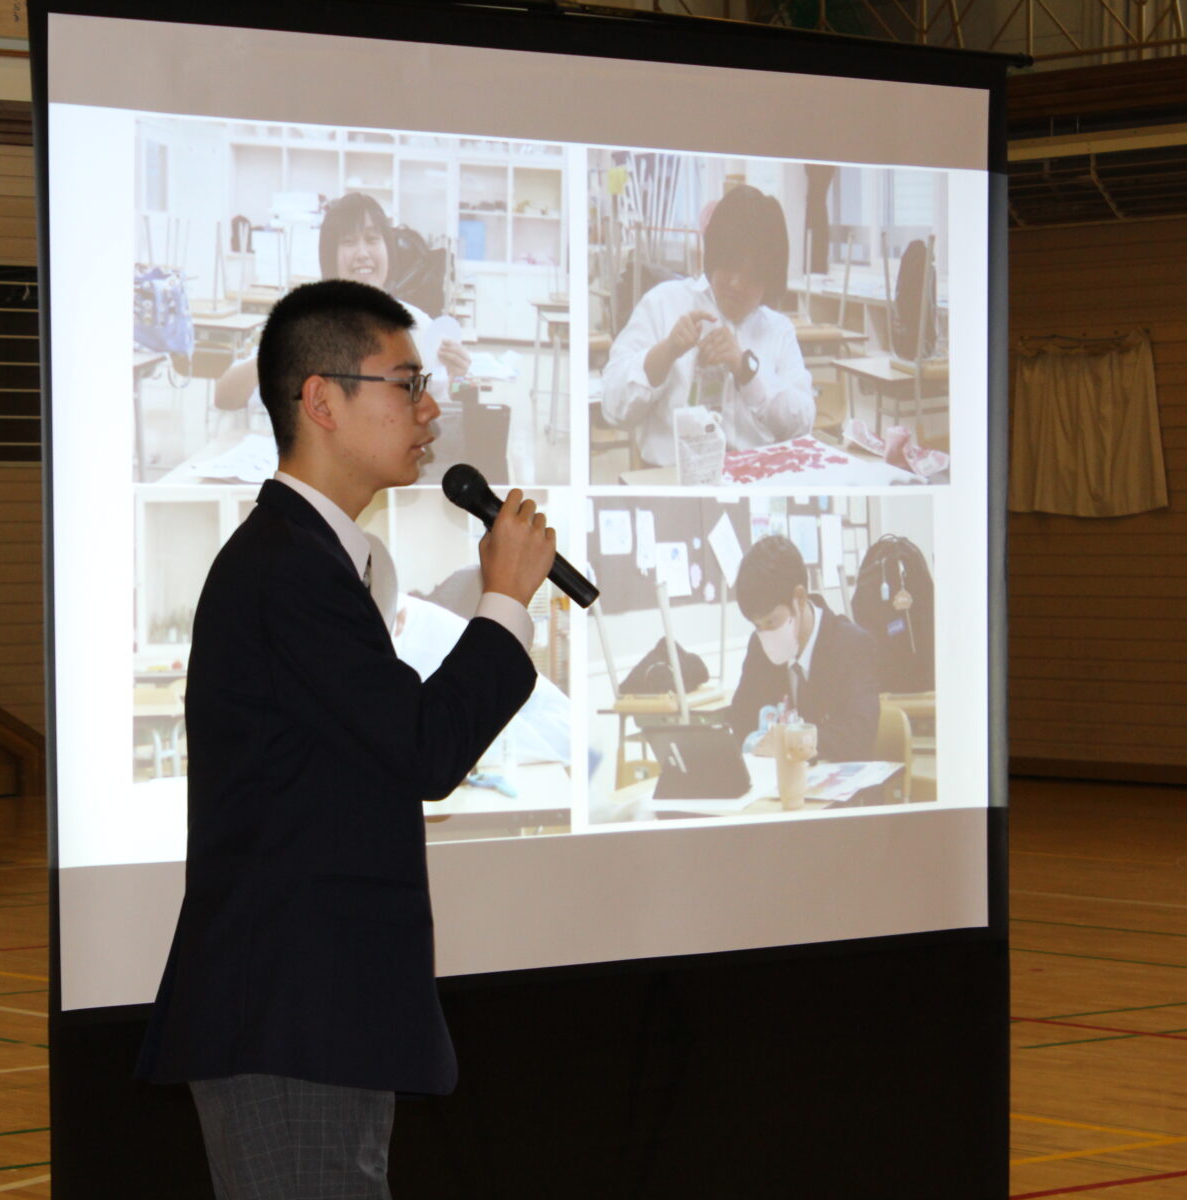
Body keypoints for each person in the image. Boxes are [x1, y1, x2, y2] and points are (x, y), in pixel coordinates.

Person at [138, 279, 556, 1199]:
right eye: (406, 383)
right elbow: (424, 749)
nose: (431, 407)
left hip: (321, 1015)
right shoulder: (285, 570)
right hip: (290, 1021)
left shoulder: (313, 560)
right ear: (320, 400)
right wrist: (505, 602)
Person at [600, 185, 814, 467]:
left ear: (770, 279)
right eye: (729, 267)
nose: (736, 284)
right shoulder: (664, 303)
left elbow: (802, 423)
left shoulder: (778, 329)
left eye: (751, 276)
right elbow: (613, 408)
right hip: (672, 479)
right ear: (712, 256)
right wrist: (666, 352)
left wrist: (746, 370)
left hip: (754, 479)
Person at [215, 192, 471, 413]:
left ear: (388, 250)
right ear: (331, 256)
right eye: (348, 242)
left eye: (372, 239)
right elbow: (225, 398)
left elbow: (438, 413)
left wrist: (456, 379)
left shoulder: (417, 326)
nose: (362, 253)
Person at [722, 533, 878, 763]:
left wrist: (792, 741)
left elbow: (859, 736)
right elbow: (741, 722)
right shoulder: (759, 646)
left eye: (771, 622)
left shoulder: (852, 645)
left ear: (800, 598)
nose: (765, 633)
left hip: (841, 790)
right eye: (757, 625)